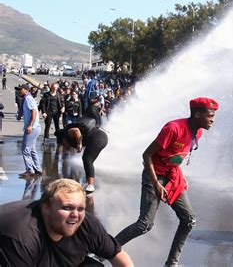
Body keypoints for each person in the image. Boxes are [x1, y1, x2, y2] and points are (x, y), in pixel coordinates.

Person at [115, 97, 219, 267]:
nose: (212, 120)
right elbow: (146, 155)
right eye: (210, 116)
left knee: (189, 219)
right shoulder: (173, 128)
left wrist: (180, 179)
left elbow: (176, 158)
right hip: (154, 175)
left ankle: (172, 264)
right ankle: (103, 250)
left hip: (173, 175)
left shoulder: (198, 131)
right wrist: (156, 184)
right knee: (144, 225)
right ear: (197, 114)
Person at [0, 178, 134, 266]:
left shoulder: (87, 224)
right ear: (46, 206)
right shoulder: (23, 236)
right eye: (67, 208)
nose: (75, 215)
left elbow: (117, 255)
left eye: (80, 208)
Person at [55, 117, 108, 193]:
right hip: (100, 137)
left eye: (63, 144)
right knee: (88, 159)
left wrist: (79, 144)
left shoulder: (67, 133)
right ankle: (89, 183)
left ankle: (90, 185)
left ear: (63, 139)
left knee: (87, 160)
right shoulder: (68, 138)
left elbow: (76, 130)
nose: (64, 146)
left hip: (98, 138)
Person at [15, 84, 43, 177]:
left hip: (33, 127)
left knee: (25, 149)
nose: (19, 91)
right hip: (35, 127)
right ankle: (38, 168)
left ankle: (30, 169)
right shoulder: (26, 98)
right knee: (32, 149)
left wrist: (30, 125)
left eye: (20, 89)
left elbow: (34, 112)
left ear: (26, 90)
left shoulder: (28, 99)